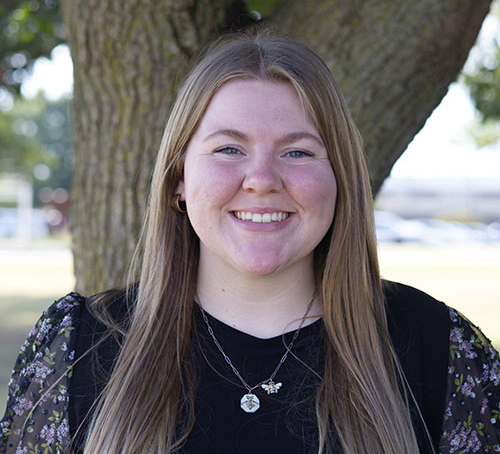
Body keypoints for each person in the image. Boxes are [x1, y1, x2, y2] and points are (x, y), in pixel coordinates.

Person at [1, 32, 499, 454]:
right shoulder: (76, 349)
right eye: (229, 149)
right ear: (178, 179)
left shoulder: (442, 349)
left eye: (298, 151)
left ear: (340, 179)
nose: (261, 179)